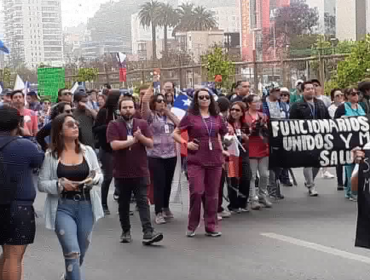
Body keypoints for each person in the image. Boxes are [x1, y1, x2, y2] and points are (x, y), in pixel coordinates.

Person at [38, 113, 104, 280]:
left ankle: (69, 276)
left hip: (86, 205)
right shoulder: (51, 155)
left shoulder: (87, 151)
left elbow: (99, 174)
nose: (75, 126)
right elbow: (42, 183)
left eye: (76, 124)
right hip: (63, 207)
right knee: (72, 252)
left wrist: (93, 179)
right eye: (70, 125)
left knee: (80, 252)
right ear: (60, 131)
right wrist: (59, 184)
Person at [107, 97, 164, 245]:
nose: (128, 110)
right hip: (122, 171)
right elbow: (114, 145)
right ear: (120, 110)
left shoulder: (142, 124)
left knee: (143, 201)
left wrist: (141, 137)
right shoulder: (113, 125)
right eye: (125, 107)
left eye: (130, 107)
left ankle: (148, 232)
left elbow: (151, 143)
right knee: (124, 203)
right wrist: (132, 141)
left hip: (140, 170)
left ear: (135, 108)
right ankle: (126, 231)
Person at [173, 88, 228, 237]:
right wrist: (186, 143)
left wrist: (223, 150)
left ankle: (211, 226)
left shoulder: (217, 117)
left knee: (212, 194)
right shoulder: (191, 116)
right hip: (196, 157)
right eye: (201, 97)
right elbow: (175, 133)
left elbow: (221, 135)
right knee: (197, 191)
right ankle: (192, 224)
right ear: (196, 100)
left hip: (215, 158)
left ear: (211, 100)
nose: (204, 99)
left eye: (207, 97)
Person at [0, 105, 44, 280]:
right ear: (18, 124)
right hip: (19, 206)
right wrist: (28, 135)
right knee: (14, 257)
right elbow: (39, 159)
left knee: (6, 253)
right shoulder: (25, 145)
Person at [142, 88, 180, 224]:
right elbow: (144, 110)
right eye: (159, 101)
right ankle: (158, 211)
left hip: (171, 153)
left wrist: (169, 113)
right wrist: (145, 99)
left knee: (168, 183)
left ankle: (165, 207)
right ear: (153, 103)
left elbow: (181, 125)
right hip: (155, 154)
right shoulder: (151, 116)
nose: (162, 103)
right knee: (159, 182)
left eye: (163, 100)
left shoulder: (169, 115)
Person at [290, 81, 330, 197]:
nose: (311, 91)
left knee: (318, 162)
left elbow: (328, 119)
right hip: (305, 137)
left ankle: (309, 180)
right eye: (307, 89)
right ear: (302, 91)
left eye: (312, 88)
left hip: (319, 136)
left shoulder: (321, 104)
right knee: (307, 162)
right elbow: (292, 123)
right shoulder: (296, 105)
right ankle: (311, 185)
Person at [335, 87, 365, 201]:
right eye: (353, 94)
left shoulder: (360, 106)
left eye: (357, 93)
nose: (356, 96)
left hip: (360, 140)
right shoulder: (342, 107)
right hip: (347, 141)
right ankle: (353, 192)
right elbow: (334, 124)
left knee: (358, 166)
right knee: (350, 167)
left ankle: (350, 191)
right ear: (347, 96)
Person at [93, 91, 121, 215]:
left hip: (119, 148)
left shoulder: (119, 111)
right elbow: (95, 129)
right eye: (119, 98)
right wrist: (109, 126)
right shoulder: (104, 111)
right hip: (106, 149)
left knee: (121, 177)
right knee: (108, 177)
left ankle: (122, 203)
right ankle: (103, 203)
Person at [245, 94, 272, 209]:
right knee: (252, 176)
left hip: (262, 147)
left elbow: (267, 131)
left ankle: (262, 195)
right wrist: (251, 129)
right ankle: (253, 198)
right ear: (249, 104)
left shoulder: (263, 115)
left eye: (259, 101)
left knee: (264, 174)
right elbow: (244, 131)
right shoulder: (244, 116)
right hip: (251, 147)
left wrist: (264, 128)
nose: (258, 104)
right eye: (255, 102)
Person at [262, 85, 288, 200]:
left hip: (281, 136)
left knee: (280, 162)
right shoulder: (263, 104)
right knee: (271, 163)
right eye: (276, 91)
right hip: (268, 136)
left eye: (280, 91)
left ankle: (275, 185)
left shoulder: (282, 104)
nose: (279, 93)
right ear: (270, 92)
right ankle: (272, 188)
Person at [226, 101, 251, 213]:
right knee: (233, 179)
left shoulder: (244, 125)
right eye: (232, 109)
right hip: (231, 155)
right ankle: (233, 205)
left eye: (237, 110)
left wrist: (246, 138)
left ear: (242, 113)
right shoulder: (226, 124)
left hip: (243, 154)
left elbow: (248, 139)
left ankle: (243, 203)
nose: (234, 112)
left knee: (246, 177)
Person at [216, 97, 232, 219]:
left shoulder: (221, 118)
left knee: (219, 182)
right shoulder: (220, 118)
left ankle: (217, 207)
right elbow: (222, 135)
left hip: (221, 151)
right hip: (218, 153)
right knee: (217, 183)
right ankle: (216, 208)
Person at [328, 88, 345, 191]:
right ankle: (340, 182)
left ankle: (347, 181)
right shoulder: (331, 108)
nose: (340, 98)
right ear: (333, 98)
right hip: (337, 135)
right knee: (339, 159)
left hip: (347, 136)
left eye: (341, 95)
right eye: (337, 96)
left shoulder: (345, 106)